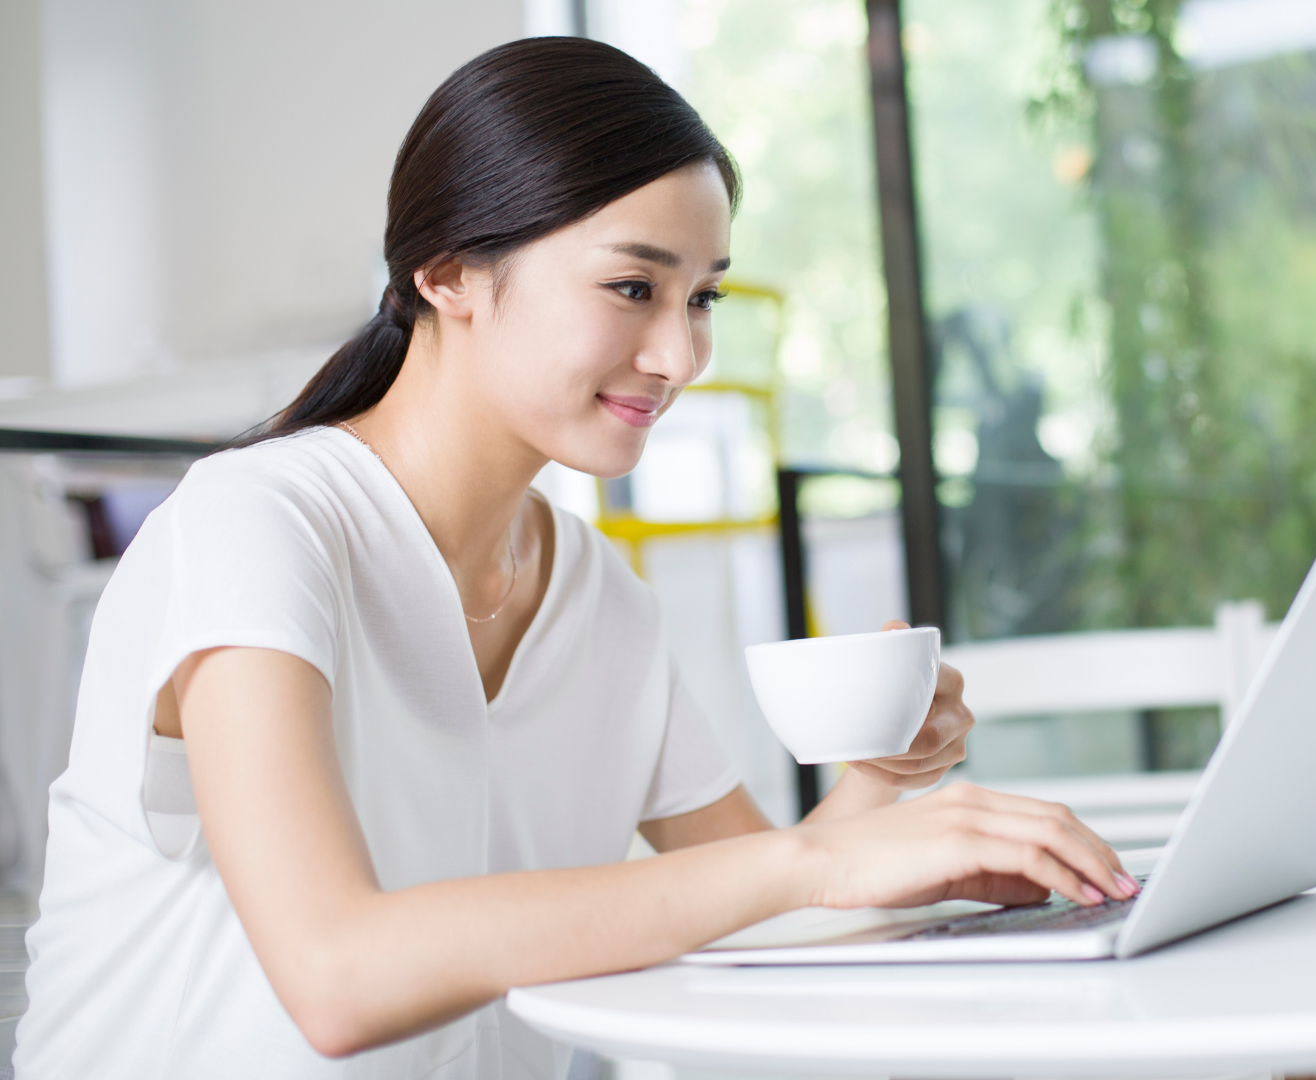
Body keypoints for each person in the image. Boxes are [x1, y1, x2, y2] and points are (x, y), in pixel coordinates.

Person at [12, 37, 1135, 1079]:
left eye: (704, 299)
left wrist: (879, 795)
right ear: (448, 274)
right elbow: (336, 976)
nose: (680, 352)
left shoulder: (597, 597)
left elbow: (771, 903)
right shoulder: (256, 525)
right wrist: (816, 866)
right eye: (633, 287)